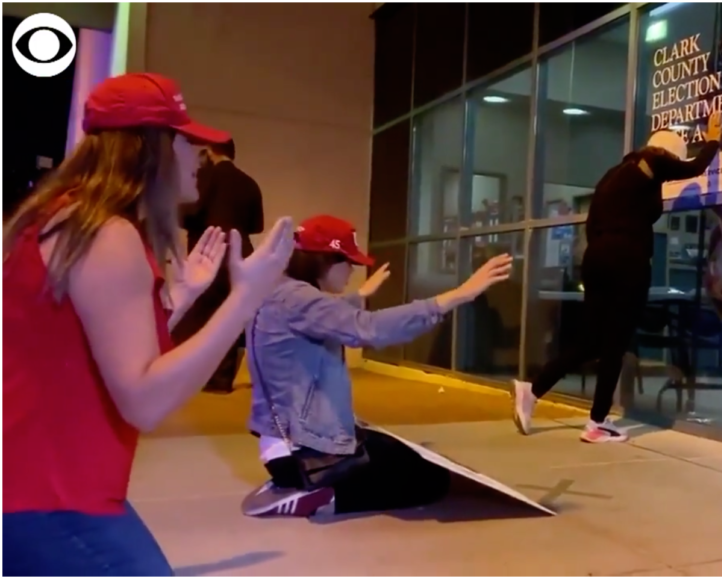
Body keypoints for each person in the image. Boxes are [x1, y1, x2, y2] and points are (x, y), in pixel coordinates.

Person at [2, 72, 295, 576]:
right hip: (47, 496)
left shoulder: (66, 219)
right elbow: (145, 401)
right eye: (185, 139)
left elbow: (88, 345)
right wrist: (245, 298)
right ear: (150, 147)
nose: (199, 155)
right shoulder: (105, 236)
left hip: (40, 484)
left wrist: (182, 298)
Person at [244, 215, 513, 516]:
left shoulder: (283, 293)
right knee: (431, 482)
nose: (352, 271)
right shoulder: (299, 299)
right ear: (326, 260)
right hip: (305, 453)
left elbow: (319, 320)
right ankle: (321, 496)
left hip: (286, 446)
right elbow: (367, 329)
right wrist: (455, 296)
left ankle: (294, 484)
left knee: (397, 452)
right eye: (349, 263)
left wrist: (359, 296)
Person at [512, 111, 722, 444]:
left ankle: (533, 390)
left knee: (592, 340)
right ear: (668, 152)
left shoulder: (614, 175)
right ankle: (596, 423)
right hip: (627, 261)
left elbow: (592, 225)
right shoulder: (655, 161)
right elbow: (694, 168)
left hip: (597, 258)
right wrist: (713, 138)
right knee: (614, 342)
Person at [176, 138, 265, 393]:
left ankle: (191, 376)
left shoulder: (205, 177)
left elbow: (189, 212)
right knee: (231, 316)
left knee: (198, 315)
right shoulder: (249, 183)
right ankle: (221, 380)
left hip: (208, 251)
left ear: (211, 152)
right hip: (240, 253)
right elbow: (256, 225)